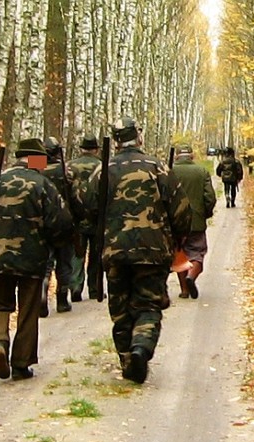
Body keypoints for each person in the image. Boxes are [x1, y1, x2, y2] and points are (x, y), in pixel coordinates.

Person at [83, 116, 192, 384]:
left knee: (120, 308)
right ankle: (140, 348)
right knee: (148, 305)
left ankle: (126, 358)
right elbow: (181, 210)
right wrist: (177, 238)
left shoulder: (103, 171)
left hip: (115, 252)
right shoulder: (157, 168)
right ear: (138, 137)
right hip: (152, 251)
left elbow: (87, 207)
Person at [0, 138, 73, 380]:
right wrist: (53, 241)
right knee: (28, 309)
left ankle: (0, 340)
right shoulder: (43, 185)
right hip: (32, 258)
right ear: (37, 159)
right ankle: (21, 364)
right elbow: (62, 222)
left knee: (0, 303)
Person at [171, 145, 216, 299]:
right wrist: (206, 213)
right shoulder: (201, 171)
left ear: (177, 156)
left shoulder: (168, 171)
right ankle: (192, 276)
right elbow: (210, 197)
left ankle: (184, 290)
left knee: (180, 253)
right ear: (192, 155)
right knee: (197, 252)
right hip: (196, 220)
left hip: (174, 221)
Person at [42, 136, 78, 314]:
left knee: (45, 260)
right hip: (63, 221)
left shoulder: (35, 166)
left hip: (41, 222)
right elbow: (75, 196)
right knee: (64, 262)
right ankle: (62, 299)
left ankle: (43, 284)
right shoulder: (65, 169)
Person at [68, 133, 102, 301]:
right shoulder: (102, 166)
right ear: (96, 150)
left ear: (81, 149)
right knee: (96, 255)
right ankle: (95, 289)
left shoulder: (69, 166)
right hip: (97, 218)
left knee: (77, 254)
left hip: (76, 219)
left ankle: (75, 286)